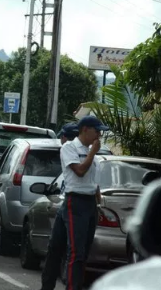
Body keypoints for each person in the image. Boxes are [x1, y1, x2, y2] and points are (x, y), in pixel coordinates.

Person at [40, 116, 109, 290]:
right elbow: (79, 171)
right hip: (75, 201)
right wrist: (93, 152)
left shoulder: (92, 152)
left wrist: (99, 205)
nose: (99, 135)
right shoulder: (69, 148)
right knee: (74, 252)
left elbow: (94, 183)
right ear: (85, 129)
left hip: (89, 204)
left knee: (80, 251)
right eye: (96, 131)